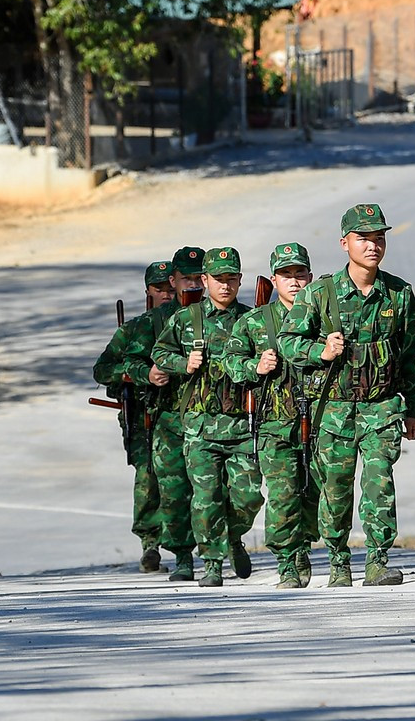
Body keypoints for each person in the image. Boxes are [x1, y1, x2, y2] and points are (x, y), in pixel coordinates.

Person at [281, 205, 415, 587]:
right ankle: (337, 560)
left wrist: (412, 407)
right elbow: (287, 342)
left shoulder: (398, 294)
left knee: (380, 481)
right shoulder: (319, 293)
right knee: (335, 486)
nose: (373, 245)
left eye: (379, 237)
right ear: (345, 243)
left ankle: (378, 560)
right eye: (364, 238)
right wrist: (321, 351)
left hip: (381, 406)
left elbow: (413, 354)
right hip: (333, 408)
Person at [152, 246, 261, 588]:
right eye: (218, 279)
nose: (225, 286)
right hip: (200, 426)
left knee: (248, 496)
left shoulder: (252, 319)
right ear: (204, 280)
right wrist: (182, 364)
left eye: (232, 279)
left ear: (240, 280)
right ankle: (212, 561)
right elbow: (159, 351)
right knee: (205, 497)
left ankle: (233, 536)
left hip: (241, 426)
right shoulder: (187, 319)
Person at [224, 242, 319, 588]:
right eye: (285, 275)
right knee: (282, 492)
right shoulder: (255, 321)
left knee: (314, 491)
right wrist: (255, 366)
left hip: (321, 422)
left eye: (299, 274)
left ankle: (303, 544)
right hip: (274, 422)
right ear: (273, 280)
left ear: (310, 277)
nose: (294, 282)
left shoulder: (325, 315)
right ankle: (286, 560)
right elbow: (230, 363)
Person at [93, 260, 180, 572]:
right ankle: (150, 542)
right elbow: (102, 370)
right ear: (149, 291)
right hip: (143, 414)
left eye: (171, 287)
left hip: (179, 412)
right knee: (147, 476)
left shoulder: (190, 322)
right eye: (159, 289)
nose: (166, 294)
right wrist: (136, 373)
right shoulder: (135, 329)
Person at [150, 245, 208, 579]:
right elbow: (109, 366)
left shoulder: (227, 316)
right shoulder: (157, 320)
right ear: (172, 281)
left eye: (198, 277)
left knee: (221, 490)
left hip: (215, 418)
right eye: (185, 278)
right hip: (171, 418)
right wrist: (146, 373)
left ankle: (224, 543)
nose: (192, 285)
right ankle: (184, 556)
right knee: (174, 492)